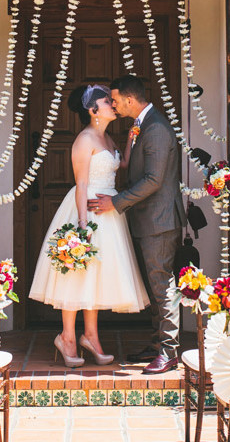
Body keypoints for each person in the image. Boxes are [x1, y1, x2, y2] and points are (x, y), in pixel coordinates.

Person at [29, 83, 149, 368]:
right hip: (87, 211)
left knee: (95, 276)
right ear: (93, 110)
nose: (113, 105)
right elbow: (81, 184)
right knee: (77, 274)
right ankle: (68, 338)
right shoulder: (84, 139)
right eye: (108, 102)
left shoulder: (107, 138)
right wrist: (82, 227)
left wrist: (132, 138)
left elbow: (122, 166)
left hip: (109, 212)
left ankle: (91, 336)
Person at [88, 74, 186, 375]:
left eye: (115, 100)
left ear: (130, 100)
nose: (114, 106)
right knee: (156, 285)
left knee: (162, 286)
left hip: (159, 220)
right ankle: (158, 344)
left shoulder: (156, 128)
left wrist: (115, 203)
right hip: (149, 219)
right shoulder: (143, 124)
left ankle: (169, 352)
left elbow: (154, 180)